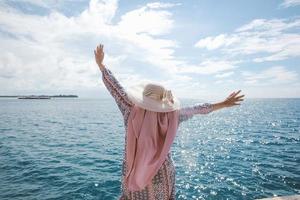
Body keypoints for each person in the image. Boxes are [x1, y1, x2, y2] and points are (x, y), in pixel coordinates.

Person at [94, 44, 244, 199]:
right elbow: (199, 109)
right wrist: (223, 103)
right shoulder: (172, 115)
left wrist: (101, 65)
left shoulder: (130, 110)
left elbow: (115, 87)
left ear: (143, 97)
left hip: (135, 170)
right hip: (162, 172)